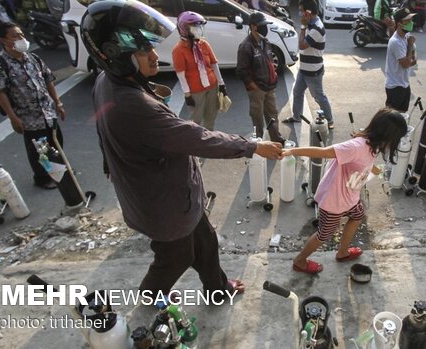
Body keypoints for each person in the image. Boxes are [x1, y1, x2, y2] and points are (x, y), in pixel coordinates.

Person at [81, 0, 283, 300]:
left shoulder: (107, 81)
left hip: (176, 198)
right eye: (143, 50)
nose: (153, 56)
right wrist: (252, 146)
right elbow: (198, 138)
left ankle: (217, 289)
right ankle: (149, 295)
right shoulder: (133, 106)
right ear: (116, 55)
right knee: (176, 257)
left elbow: (101, 129)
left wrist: (109, 165)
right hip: (163, 206)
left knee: (206, 242)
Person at [286, 108, 407, 274]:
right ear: (388, 135)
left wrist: (371, 169)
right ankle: (300, 261)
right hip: (334, 199)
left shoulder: (371, 142)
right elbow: (323, 152)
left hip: (350, 194)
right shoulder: (356, 146)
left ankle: (342, 252)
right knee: (324, 234)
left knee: (357, 216)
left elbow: (361, 162)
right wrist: (292, 151)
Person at [0, 22, 66, 190]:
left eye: (21, 34)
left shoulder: (32, 58)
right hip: (28, 117)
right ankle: (43, 178)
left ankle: (59, 171)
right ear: (3, 40)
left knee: (56, 142)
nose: (21, 38)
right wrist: (13, 118)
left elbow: (48, 79)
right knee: (39, 150)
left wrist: (57, 102)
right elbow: (0, 93)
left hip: (48, 112)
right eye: (15, 36)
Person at [282, 0, 334, 129]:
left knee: (319, 97)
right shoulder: (311, 24)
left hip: (313, 71)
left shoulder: (317, 28)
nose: (300, 13)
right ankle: (296, 117)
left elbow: (302, 45)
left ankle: (330, 120)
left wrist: (303, 27)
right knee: (297, 92)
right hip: (304, 68)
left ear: (309, 12)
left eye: (301, 11)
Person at [236, 11, 285, 144]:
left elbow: (269, 61)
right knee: (257, 116)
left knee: (272, 114)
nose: (265, 28)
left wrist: (273, 77)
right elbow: (241, 71)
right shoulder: (246, 46)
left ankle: (276, 138)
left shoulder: (265, 42)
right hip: (256, 88)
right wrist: (252, 86)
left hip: (269, 86)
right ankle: (259, 142)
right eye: (262, 25)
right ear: (253, 27)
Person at [172, 11, 226, 131]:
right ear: (184, 29)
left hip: (212, 86)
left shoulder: (204, 44)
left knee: (211, 116)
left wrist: (221, 84)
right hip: (195, 91)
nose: (199, 30)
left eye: (200, 26)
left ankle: (209, 140)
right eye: (195, 27)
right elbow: (181, 74)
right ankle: (195, 145)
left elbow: (214, 64)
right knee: (196, 120)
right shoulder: (179, 50)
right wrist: (187, 94)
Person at [384, 8, 417, 113]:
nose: (410, 23)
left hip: (405, 84)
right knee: (391, 120)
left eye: (411, 20)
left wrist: (411, 56)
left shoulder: (407, 36)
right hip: (395, 87)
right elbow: (407, 63)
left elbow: (414, 57)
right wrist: (410, 45)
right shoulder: (396, 42)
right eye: (407, 20)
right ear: (399, 24)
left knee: (402, 115)